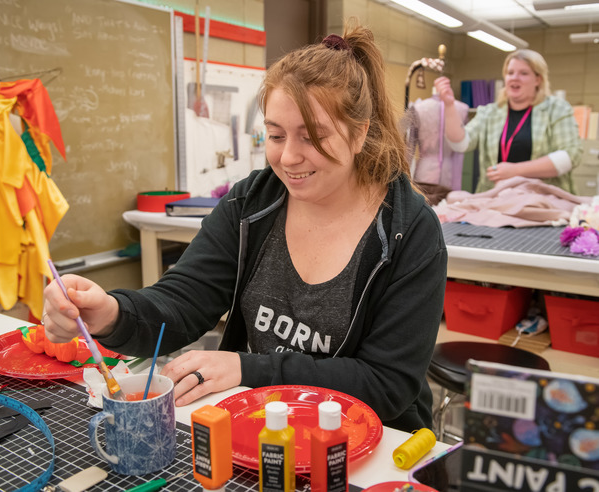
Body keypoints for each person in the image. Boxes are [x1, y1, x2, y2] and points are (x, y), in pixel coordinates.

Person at [42, 20, 448, 433]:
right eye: (275, 135)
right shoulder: (251, 204)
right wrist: (111, 314)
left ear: (360, 133)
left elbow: (386, 384)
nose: (289, 157)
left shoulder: (409, 232)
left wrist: (248, 368)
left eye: (312, 137)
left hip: (375, 444)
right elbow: (182, 302)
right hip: (267, 427)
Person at [433, 49, 582, 194]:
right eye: (510, 73)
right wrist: (449, 105)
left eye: (523, 73)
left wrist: (516, 171)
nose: (514, 78)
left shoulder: (557, 109)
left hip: (543, 201)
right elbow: (460, 144)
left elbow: (570, 155)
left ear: (538, 79)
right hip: (496, 198)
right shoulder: (490, 112)